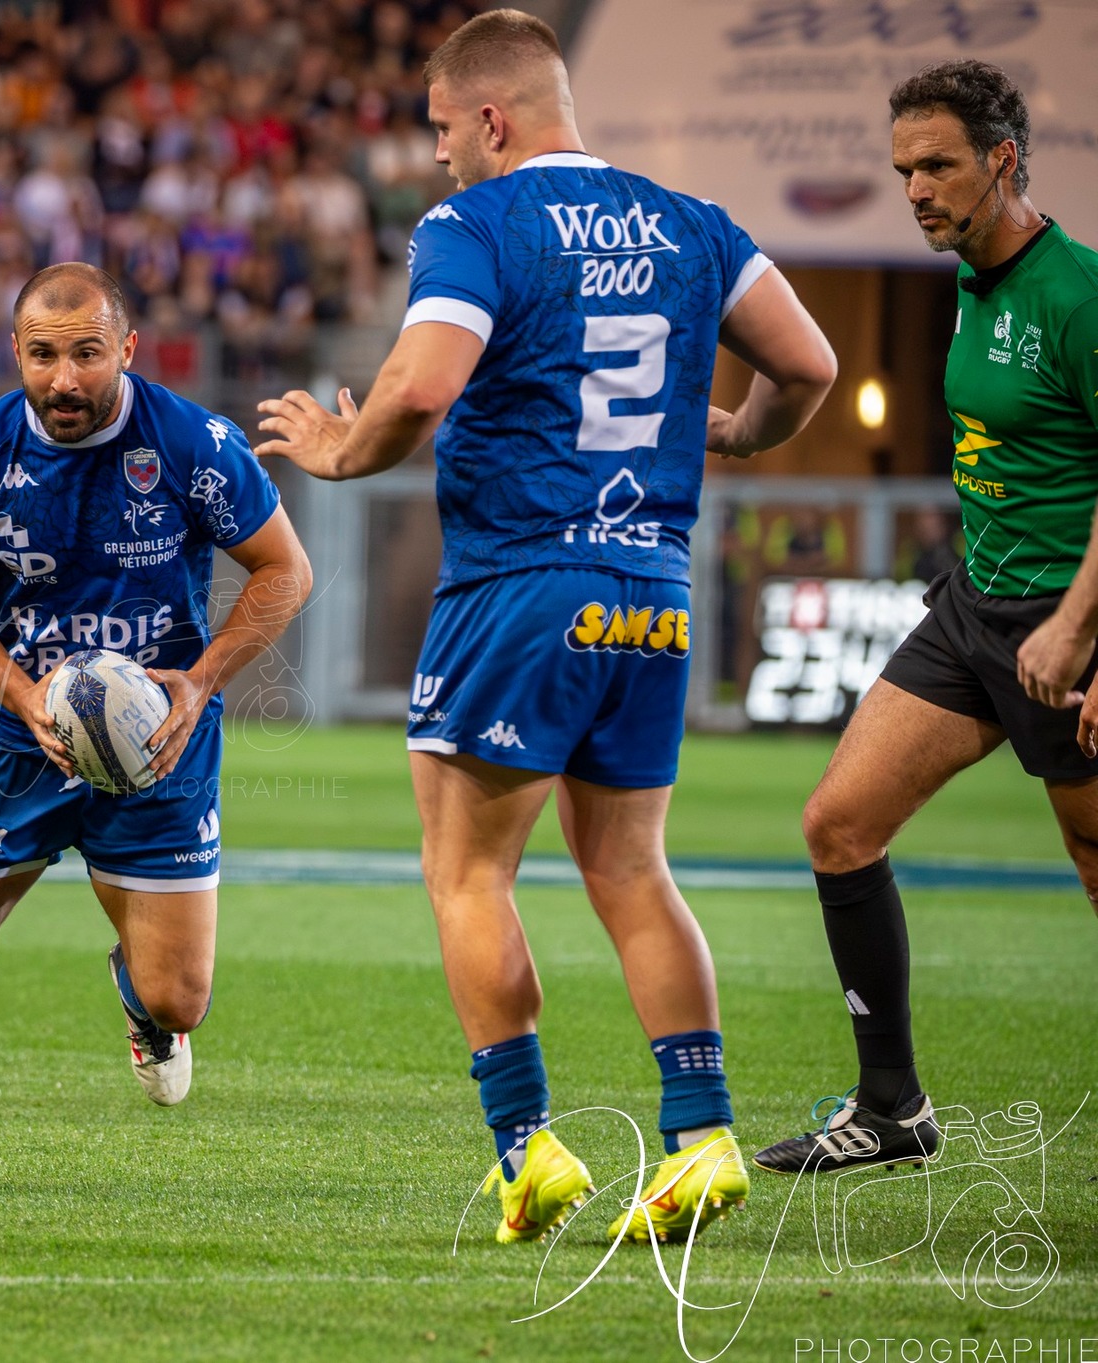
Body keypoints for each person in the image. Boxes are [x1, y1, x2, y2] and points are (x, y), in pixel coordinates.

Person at [253, 11, 835, 1243]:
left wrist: (339, 452)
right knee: (629, 869)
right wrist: (730, 433)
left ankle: (526, 1149)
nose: (439, 161)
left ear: (490, 119)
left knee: (467, 868)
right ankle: (702, 1138)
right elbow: (811, 365)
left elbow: (417, 385)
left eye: (440, 135)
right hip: (652, 590)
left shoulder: (477, 225)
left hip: (519, 580)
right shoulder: (692, 222)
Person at [0, 263, 311, 1190]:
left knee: (180, 996)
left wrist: (202, 680)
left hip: (158, 742)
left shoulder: (190, 444)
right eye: (45, 354)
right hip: (17, 744)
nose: (66, 378)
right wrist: (24, 697)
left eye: (88, 354)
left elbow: (283, 571)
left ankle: (145, 1007)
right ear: (17, 352)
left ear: (127, 351)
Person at [754, 62, 1098, 1176]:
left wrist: (1080, 636)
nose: (914, 188)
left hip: (1070, 628)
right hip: (974, 614)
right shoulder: (969, 283)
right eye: (902, 168)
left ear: (1002, 158)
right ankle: (891, 1106)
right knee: (837, 824)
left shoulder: (1078, 297)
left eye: (937, 165)